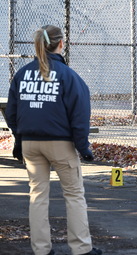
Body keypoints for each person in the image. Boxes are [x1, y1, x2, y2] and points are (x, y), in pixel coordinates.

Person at [6, 25, 102, 255]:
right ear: (61, 44)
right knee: (73, 194)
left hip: (30, 142)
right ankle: (81, 248)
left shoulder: (22, 73)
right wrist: (83, 146)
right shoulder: (68, 76)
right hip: (60, 143)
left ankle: (41, 249)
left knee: (37, 195)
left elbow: (11, 111)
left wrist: (19, 138)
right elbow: (79, 114)